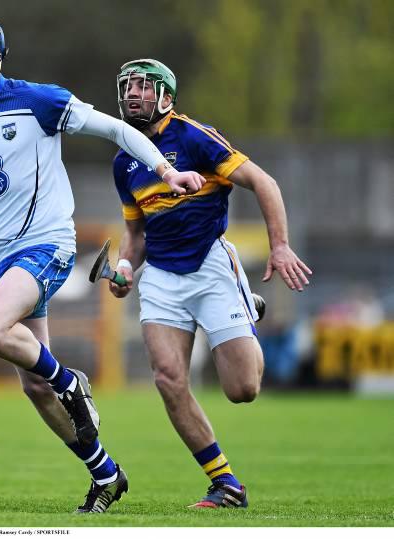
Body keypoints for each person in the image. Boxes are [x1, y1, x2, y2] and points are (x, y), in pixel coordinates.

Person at [0, 20, 206, 513]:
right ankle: (106, 474)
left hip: (45, 245)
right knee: (35, 387)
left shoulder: (40, 101)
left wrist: (166, 170)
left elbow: (115, 128)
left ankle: (71, 382)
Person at [108, 59, 312, 508]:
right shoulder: (125, 160)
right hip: (161, 278)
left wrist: (279, 246)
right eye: (128, 87)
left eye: (144, 87)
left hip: (211, 266)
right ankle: (226, 484)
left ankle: (245, 307)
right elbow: (135, 234)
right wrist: (125, 268)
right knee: (168, 379)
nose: (133, 95)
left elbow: (264, 182)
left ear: (166, 97)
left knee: (242, 390)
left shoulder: (193, 136)